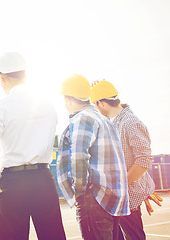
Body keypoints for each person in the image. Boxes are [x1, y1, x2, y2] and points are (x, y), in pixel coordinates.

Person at [0, 52, 66, 240]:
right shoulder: (48, 106)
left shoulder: (0, 108)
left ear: (2, 78)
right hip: (44, 178)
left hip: (13, 182)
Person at [57, 74, 130, 240]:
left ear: (68, 99)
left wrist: (79, 191)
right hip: (111, 199)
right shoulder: (104, 119)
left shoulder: (82, 118)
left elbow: (78, 156)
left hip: (94, 199)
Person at [90, 80, 162, 239]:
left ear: (101, 103)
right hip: (117, 199)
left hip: (127, 199)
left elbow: (143, 161)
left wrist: (120, 186)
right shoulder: (113, 123)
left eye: (95, 105)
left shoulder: (130, 123)